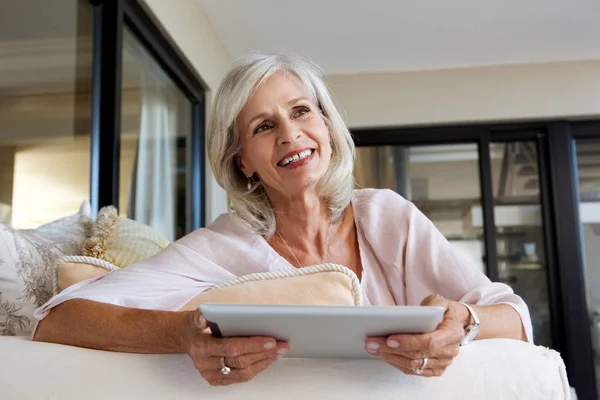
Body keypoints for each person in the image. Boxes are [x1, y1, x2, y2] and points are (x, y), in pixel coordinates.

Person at [33, 52, 532, 387]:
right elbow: (59, 320)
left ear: (328, 128)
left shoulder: (387, 216)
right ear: (243, 160)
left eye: (301, 112)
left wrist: (462, 324)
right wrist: (182, 335)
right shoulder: (220, 245)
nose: (291, 135)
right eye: (264, 126)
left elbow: (513, 316)